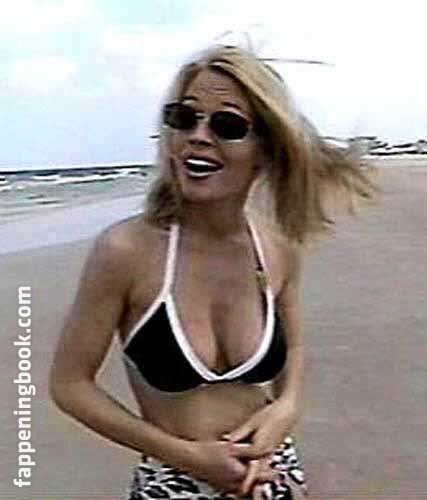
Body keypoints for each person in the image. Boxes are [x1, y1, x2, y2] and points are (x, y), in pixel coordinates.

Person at [49, 45, 375, 499]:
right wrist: (186, 456)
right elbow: (69, 386)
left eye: (227, 125)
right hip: (173, 483)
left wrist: (286, 408)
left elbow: (295, 346)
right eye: (184, 118)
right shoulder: (126, 252)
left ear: (266, 149)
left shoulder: (275, 248)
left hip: (271, 476)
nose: (198, 136)